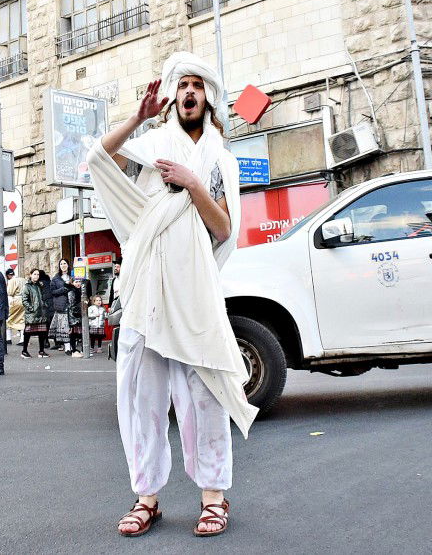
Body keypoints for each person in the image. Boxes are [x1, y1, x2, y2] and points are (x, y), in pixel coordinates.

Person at [87, 52, 257, 537]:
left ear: (208, 99)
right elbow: (99, 160)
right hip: (147, 289)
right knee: (142, 395)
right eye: (182, 84)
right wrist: (137, 117)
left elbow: (224, 228)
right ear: (172, 98)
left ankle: (213, 498)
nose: (189, 92)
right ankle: (146, 498)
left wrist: (192, 184)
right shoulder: (153, 143)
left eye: (197, 86)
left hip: (194, 287)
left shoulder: (220, 160)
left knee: (205, 393)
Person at [19, 269, 49, 358]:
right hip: (32, 314)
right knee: (27, 332)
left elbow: (43, 298)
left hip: (41, 313)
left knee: (42, 332)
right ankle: (24, 351)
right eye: (35, 274)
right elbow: (24, 300)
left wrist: (44, 305)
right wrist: (31, 309)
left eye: (38, 274)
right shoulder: (27, 286)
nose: (36, 276)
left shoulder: (40, 285)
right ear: (31, 275)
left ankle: (41, 351)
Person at [49, 259, 74, 352]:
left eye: (65, 263)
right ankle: (67, 347)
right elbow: (52, 292)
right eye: (61, 264)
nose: (63, 265)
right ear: (59, 266)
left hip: (73, 304)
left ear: (68, 265)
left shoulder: (73, 276)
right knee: (65, 327)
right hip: (62, 305)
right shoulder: (55, 278)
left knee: (73, 326)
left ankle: (73, 346)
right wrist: (64, 289)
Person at [6, 268, 25, 346]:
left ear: (8, 275)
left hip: (15, 301)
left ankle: (8, 339)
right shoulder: (23, 279)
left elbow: (10, 292)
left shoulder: (11, 281)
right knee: (22, 320)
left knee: (9, 319)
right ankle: (22, 339)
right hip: (24, 300)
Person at [67, 277, 84, 358]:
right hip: (73, 315)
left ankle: (82, 350)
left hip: (79, 314)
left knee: (80, 333)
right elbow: (71, 304)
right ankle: (73, 350)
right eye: (76, 281)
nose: (78, 283)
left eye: (79, 281)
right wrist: (79, 310)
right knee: (73, 334)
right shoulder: (71, 291)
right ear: (72, 282)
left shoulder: (80, 291)